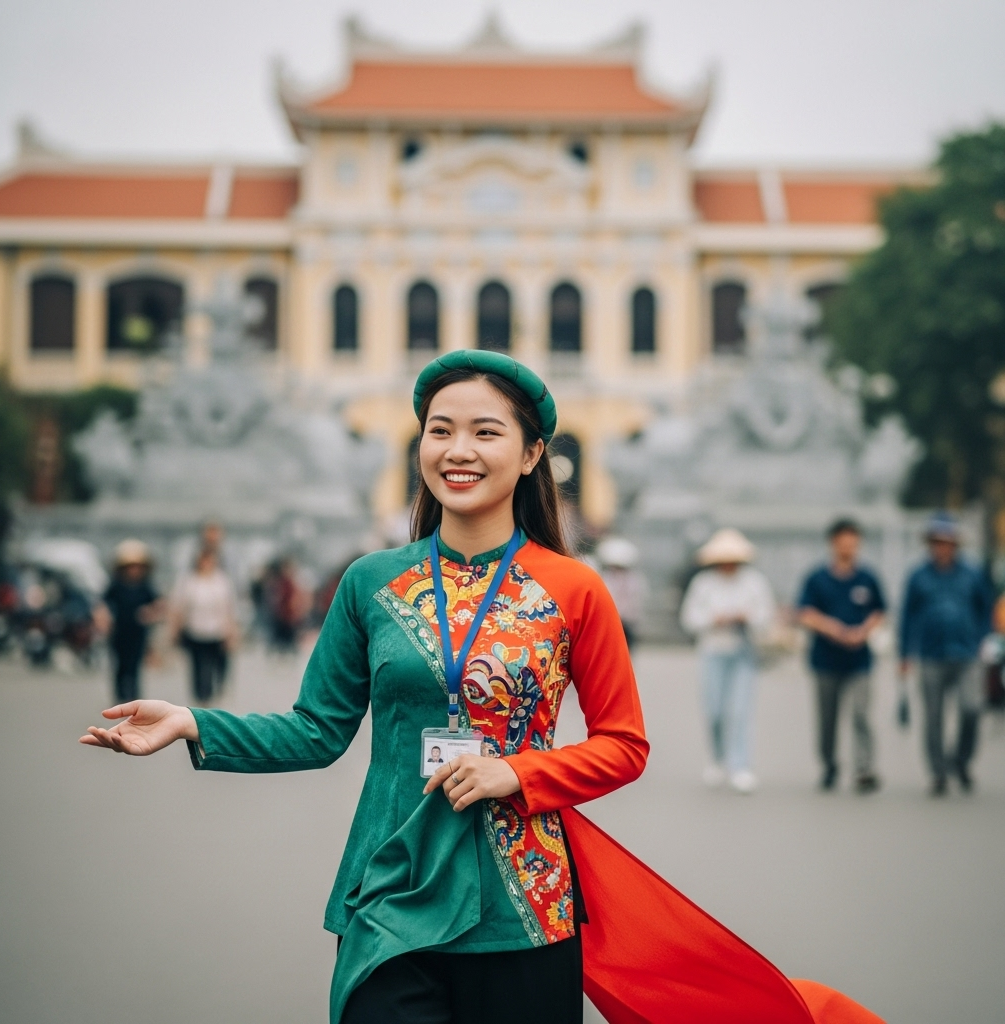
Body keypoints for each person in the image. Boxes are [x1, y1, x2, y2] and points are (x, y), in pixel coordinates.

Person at [80, 352, 882, 1024]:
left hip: (526, 907)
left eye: (485, 432)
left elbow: (625, 745)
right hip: (391, 889)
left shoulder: (574, 589)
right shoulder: (371, 582)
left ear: (532, 454)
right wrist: (191, 722)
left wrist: (520, 773)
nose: (457, 449)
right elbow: (317, 729)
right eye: (440, 431)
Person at [900, 512, 993, 796]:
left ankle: (961, 761)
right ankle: (938, 772)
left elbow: (985, 608)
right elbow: (908, 616)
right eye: (937, 541)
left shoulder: (972, 574)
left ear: (955, 544)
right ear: (930, 543)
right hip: (931, 655)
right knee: (934, 717)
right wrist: (905, 654)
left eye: (947, 541)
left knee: (971, 709)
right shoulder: (918, 576)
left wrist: (983, 640)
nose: (942, 546)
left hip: (967, 654)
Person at [680, 528, 775, 794]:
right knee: (715, 710)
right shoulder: (704, 583)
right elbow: (689, 618)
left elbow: (765, 615)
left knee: (741, 711)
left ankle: (740, 765)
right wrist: (713, 619)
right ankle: (717, 758)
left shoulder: (754, 582)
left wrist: (746, 617)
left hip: (744, 654)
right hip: (713, 653)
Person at [798, 519, 886, 794]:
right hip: (826, 660)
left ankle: (864, 767)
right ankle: (829, 765)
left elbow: (879, 610)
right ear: (833, 543)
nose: (849, 546)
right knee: (828, 718)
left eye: (853, 541)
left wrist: (862, 632)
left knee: (861, 713)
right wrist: (833, 629)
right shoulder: (817, 579)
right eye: (843, 540)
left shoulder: (867, 578)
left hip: (859, 660)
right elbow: (805, 613)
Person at [97, 540, 163, 704]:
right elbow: (102, 603)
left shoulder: (145, 586)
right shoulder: (116, 585)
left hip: (138, 632)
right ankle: (120, 697)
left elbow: (159, 604)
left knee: (135, 666)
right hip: (119, 631)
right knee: (120, 665)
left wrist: (149, 613)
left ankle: (134, 698)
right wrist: (104, 619)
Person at [169, 548, 238, 704]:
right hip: (195, 630)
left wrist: (231, 632)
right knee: (197, 665)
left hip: (217, 630)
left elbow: (229, 608)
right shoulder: (189, 581)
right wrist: (175, 629)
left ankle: (215, 690)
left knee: (216, 663)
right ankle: (201, 695)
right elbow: (179, 606)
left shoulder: (222, 581)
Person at [595, 536, 646, 649]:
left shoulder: (635, 580)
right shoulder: (604, 577)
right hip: (609, 621)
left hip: (627, 621)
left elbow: (637, 600)